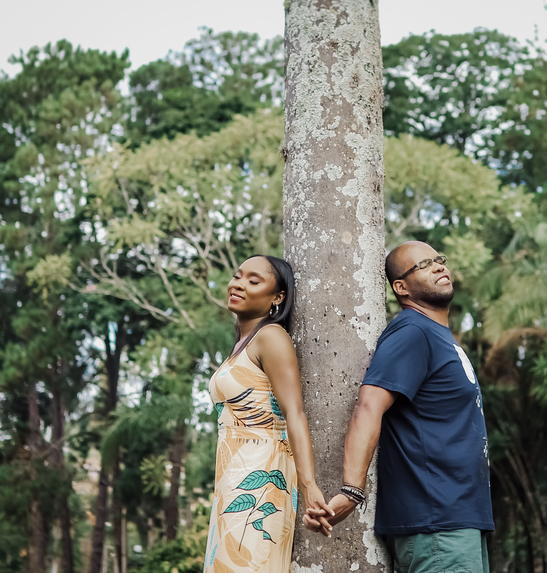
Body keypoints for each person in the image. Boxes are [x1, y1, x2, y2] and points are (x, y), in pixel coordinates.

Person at [302, 241, 493, 573]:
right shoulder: (412, 331)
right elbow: (368, 406)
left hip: (458, 519)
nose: (438, 266)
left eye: (438, 260)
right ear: (401, 287)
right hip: (436, 522)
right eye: (423, 265)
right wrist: (351, 490)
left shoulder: (437, 335)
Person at [204, 255, 328, 572]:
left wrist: (309, 485)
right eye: (237, 276)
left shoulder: (270, 336)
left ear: (277, 297)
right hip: (233, 475)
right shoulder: (242, 344)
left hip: (260, 474)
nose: (238, 284)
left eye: (254, 280)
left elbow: (294, 413)